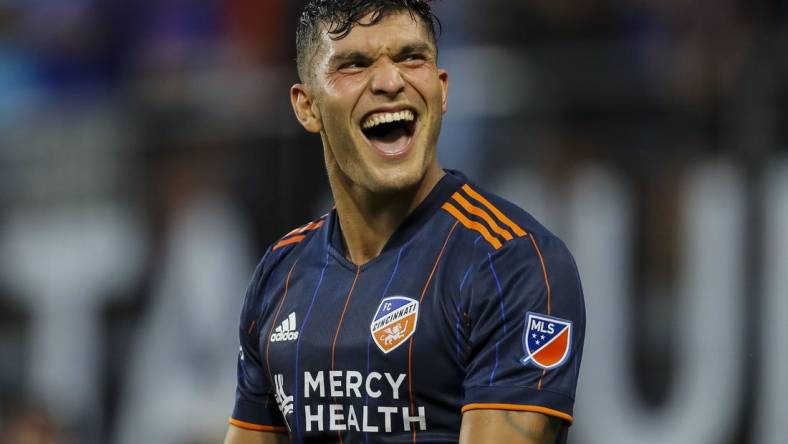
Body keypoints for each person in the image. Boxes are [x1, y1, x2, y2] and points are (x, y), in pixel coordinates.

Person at [224, 1, 585, 443]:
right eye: (354, 65)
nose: (391, 82)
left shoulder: (512, 263)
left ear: (442, 89)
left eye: (411, 58)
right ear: (307, 107)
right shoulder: (280, 274)